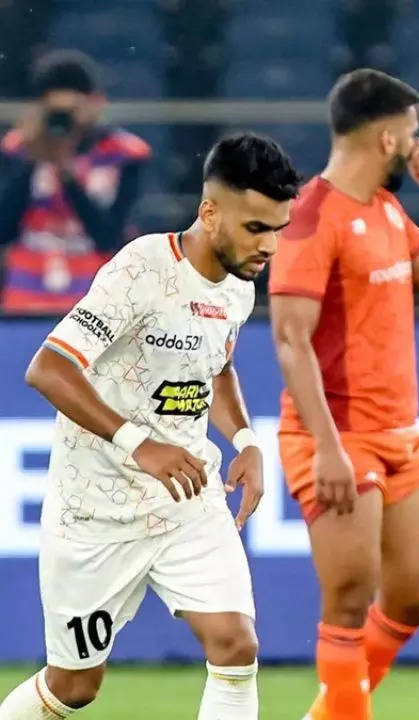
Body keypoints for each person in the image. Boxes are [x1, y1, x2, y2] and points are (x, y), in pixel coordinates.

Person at [0, 132, 300, 720]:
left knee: (237, 648)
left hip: (186, 502)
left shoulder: (239, 285)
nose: (269, 246)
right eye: (256, 228)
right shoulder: (141, 268)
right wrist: (142, 446)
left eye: (279, 229)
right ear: (210, 211)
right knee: (73, 687)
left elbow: (218, 367)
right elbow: (49, 367)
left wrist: (245, 440)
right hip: (95, 510)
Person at [268, 68, 419, 720]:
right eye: (411, 132)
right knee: (350, 601)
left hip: (399, 433)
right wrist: (325, 450)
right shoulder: (308, 216)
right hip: (335, 434)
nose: (417, 145)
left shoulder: (384, 208)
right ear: (385, 136)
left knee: (411, 599)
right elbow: (290, 340)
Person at [0, 49, 150, 312]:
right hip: (23, 299)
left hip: (96, 302)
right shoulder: (17, 149)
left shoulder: (124, 154)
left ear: (97, 103)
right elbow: (4, 230)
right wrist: (34, 159)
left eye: (72, 110)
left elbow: (108, 237)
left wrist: (67, 173)